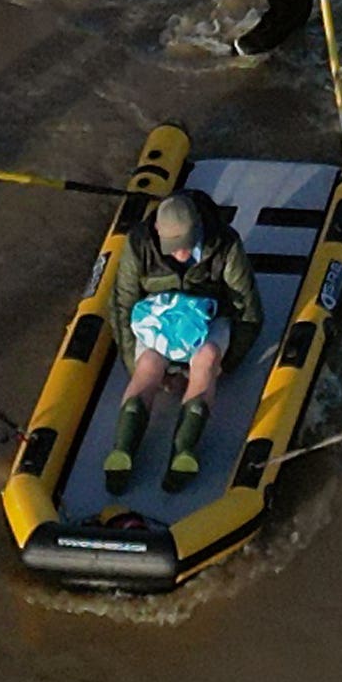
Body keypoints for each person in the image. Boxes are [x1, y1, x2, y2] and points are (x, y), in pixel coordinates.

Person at [100, 186, 250, 497]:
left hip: (207, 317)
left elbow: (248, 310)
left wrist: (227, 363)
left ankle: (184, 449)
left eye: (187, 244)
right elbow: (122, 304)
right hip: (160, 319)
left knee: (206, 359)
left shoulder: (225, 244)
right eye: (174, 246)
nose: (181, 253)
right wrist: (134, 361)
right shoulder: (139, 245)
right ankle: (123, 450)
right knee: (148, 366)